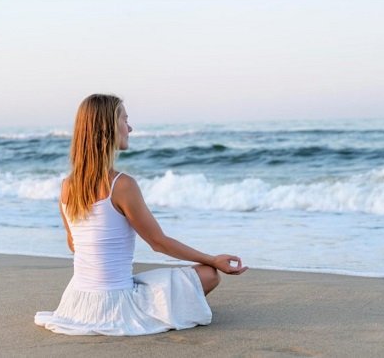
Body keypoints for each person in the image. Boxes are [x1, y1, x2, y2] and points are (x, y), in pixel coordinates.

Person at [35, 94, 248, 336]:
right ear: (108, 128)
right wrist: (213, 259)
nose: (130, 127)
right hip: (116, 304)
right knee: (209, 275)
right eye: (125, 119)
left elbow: (74, 245)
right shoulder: (121, 185)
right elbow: (158, 243)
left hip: (76, 301)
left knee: (139, 279)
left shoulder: (66, 186)